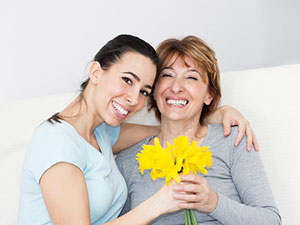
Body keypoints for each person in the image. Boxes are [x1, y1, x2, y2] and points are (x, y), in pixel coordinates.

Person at [18, 34, 257, 225]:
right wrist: (158, 204)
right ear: (96, 73)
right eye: (127, 80)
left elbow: (164, 131)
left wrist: (215, 113)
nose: (134, 99)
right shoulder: (56, 144)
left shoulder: (102, 134)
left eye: (144, 91)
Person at [116, 36, 281, 225]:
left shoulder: (232, 140)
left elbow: (271, 220)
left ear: (209, 95)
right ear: (154, 89)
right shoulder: (128, 160)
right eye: (167, 75)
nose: (176, 87)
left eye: (191, 77)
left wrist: (213, 203)